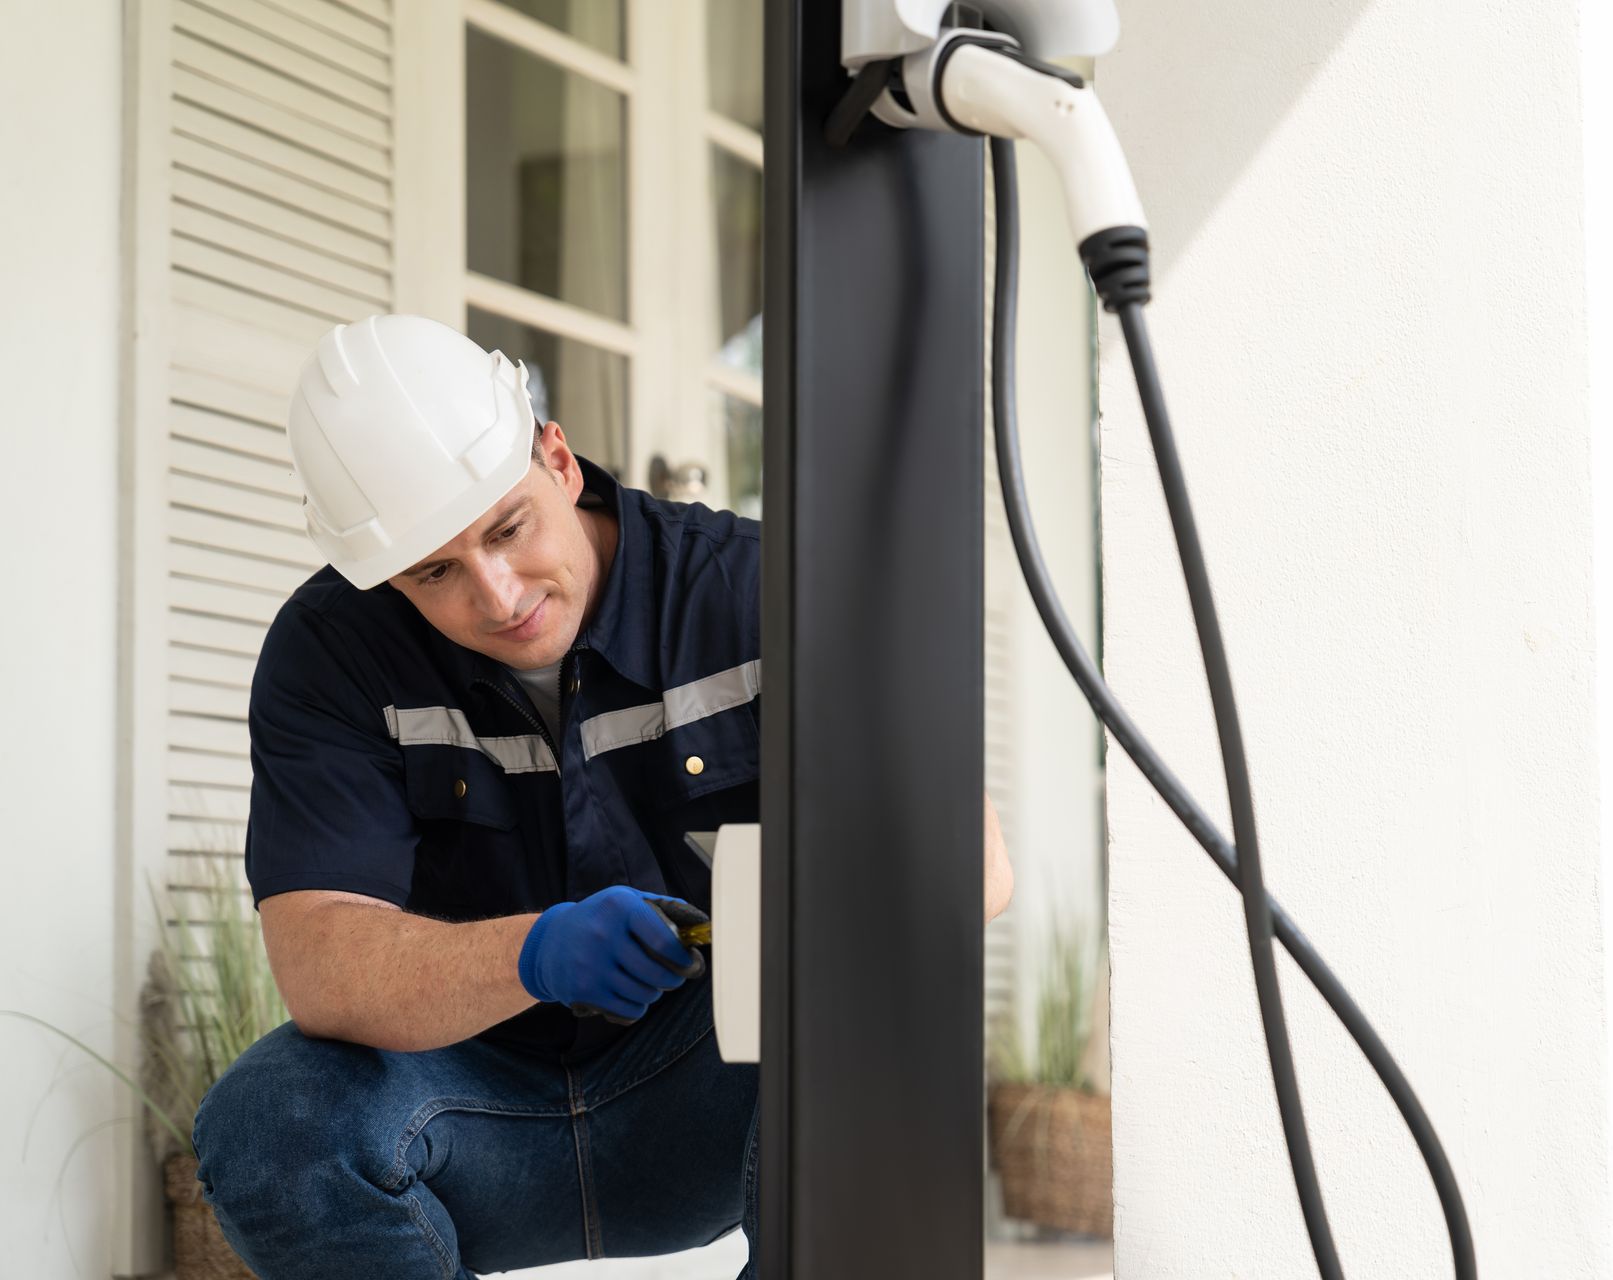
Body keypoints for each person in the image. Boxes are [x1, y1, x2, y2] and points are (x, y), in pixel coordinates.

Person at [191, 314, 1015, 1279]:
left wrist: (780, 931)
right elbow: (322, 964)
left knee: (877, 1014)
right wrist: (531, 952)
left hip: (712, 1102)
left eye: (508, 528)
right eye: (436, 572)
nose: (498, 596)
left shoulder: (762, 593)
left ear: (558, 458)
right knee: (266, 1123)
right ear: (379, 578)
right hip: (471, 1122)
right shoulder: (329, 652)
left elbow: (976, 869)